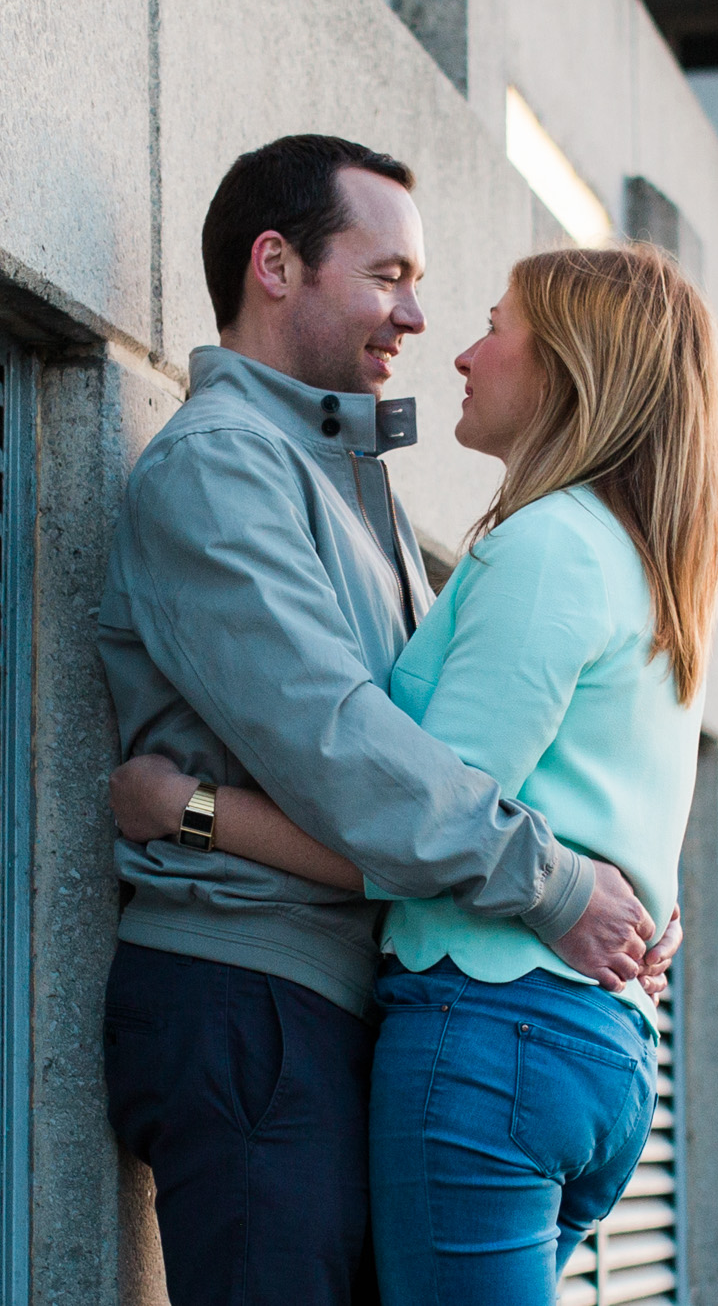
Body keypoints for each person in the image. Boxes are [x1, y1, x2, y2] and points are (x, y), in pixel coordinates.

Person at [97, 138, 667, 1305]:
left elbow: (449, 762)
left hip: (344, 999)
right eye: (388, 273)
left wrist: (625, 881)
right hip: (250, 998)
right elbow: (344, 751)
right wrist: (560, 882)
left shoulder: (356, 488)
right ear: (276, 264)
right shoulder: (216, 471)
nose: (417, 315)